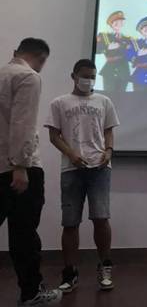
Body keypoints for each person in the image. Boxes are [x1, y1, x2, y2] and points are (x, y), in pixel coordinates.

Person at [45, 59, 120, 294]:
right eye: (85, 76)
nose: (88, 80)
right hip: (72, 169)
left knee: (101, 218)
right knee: (70, 222)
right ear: (74, 76)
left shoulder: (104, 101)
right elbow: (54, 136)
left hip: (100, 168)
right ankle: (70, 273)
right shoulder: (59, 102)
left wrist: (109, 151)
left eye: (92, 76)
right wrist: (71, 154)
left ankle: (105, 267)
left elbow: (109, 132)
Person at [0, 38, 62, 306]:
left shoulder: (2, 74)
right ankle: (31, 293)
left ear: (16, 52)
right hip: (18, 169)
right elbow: (23, 124)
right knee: (24, 235)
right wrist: (20, 166)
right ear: (42, 59)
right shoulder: (29, 77)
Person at [95, 11, 132, 92]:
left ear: (123, 24)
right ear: (111, 24)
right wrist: (107, 47)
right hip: (109, 71)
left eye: (120, 22)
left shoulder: (128, 39)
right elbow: (95, 50)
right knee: (108, 95)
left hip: (124, 71)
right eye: (115, 22)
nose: (118, 24)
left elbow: (131, 55)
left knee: (121, 96)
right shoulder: (104, 36)